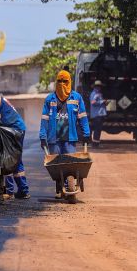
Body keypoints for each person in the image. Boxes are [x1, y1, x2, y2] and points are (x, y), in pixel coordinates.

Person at [40, 70, 91, 198]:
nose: (62, 84)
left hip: (70, 138)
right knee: (57, 166)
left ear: (70, 82)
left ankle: (69, 185)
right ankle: (59, 187)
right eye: (59, 81)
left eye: (65, 81)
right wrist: (42, 136)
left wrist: (86, 133)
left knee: (70, 166)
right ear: (56, 82)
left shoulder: (76, 98)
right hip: (54, 139)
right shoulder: (50, 99)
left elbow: (83, 117)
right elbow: (44, 119)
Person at [88, 80, 107, 147]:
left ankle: (96, 144)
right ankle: (95, 144)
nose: (100, 88)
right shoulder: (95, 94)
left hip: (99, 114)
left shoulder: (98, 93)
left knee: (98, 129)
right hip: (97, 114)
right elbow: (93, 102)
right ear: (97, 87)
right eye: (99, 86)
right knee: (97, 129)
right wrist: (102, 101)